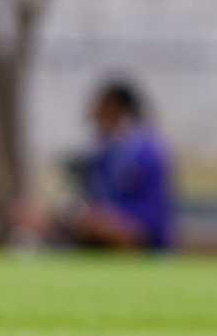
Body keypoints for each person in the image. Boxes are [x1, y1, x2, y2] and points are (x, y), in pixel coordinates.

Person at [28, 78, 177, 252]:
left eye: (101, 114)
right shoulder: (101, 155)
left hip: (144, 244)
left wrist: (110, 221)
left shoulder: (147, 153)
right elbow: (85, 202)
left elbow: (153, 217)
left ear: (117, 110)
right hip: (103, 238)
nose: (95, 121)